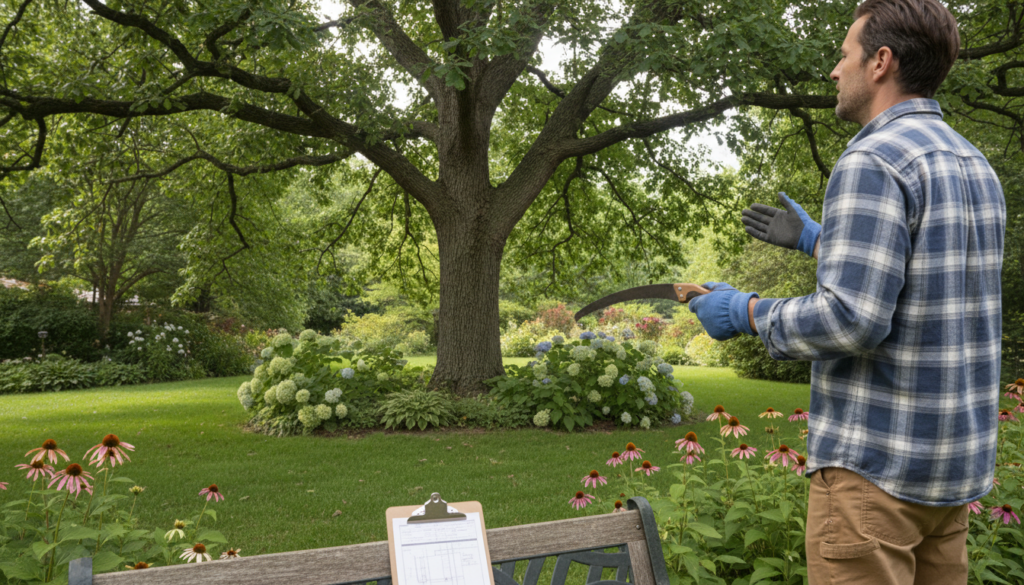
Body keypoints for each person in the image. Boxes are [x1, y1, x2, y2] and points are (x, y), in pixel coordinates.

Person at [687, 1, 1006, 583]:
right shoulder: (973, 162)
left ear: (881, 62)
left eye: (844, 55)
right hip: (951, 473)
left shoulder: (873, 157)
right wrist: (819, 241)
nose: (835, 71)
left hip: (876, 475)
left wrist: (746, 311)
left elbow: (851, 319)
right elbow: (931, 281)